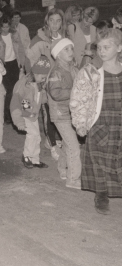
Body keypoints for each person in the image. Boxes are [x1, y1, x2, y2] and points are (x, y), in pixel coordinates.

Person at [71, 30, 122, 214]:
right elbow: (79, 98)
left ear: (120, 48)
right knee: (99, 159)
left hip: (122, 121)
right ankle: (101, 194)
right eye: (99, 47)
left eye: (107, 47)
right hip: (100, 121)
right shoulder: (90, 72)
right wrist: (80, 123)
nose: (101, 51)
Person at [27, 8, 66, 161]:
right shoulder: (39, 40)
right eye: (52, 21)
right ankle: (53, 144)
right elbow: (30, 62)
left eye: (58, 21)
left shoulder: (63, 38)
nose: (55, 24)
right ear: (47, 22)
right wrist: (39, 82)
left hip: (61, 84)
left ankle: (55, 139)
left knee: (61, 113)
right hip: (45, 85)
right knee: (48, 115)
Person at [45, 38, 81, 188]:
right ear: (58, 55)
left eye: (71, 48)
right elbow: (55, 93)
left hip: (70, 112)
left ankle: (62, 169)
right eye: (66, 49)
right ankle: (73, 179)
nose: (71, 52)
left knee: (68, 144)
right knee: (74, 146)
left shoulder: (72, 67)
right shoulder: (56, 72)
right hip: (60, 114)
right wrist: (75, 92)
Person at [11, 56, 51, 168]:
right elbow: (15, 105)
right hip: (24, 115)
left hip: (33, 115)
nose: (44, 80)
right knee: (32, 134)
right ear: (36, 74)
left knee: (37, 136)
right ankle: (26, 156)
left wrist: (45, 96)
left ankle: (35, 159)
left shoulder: (38, 83)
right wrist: (18, 121)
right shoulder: (23, 85)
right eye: (43, 77)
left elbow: (40, 99)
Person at [0, 17, 28, 126]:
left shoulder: (15, 34)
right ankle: (8, 113)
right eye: (3, 27)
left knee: (19, 89)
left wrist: (22, 64)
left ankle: (22, 111)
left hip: (14, 64)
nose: (5, 29)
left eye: (7, 26)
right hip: (3, 65)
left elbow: (20, 49)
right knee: (9, 91)